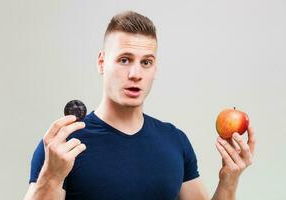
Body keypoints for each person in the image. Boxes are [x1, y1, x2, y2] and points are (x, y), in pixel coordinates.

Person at [24, 11, 256, 200]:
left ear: (155, 69)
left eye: (146, 62)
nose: (135, 74)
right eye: (124, 60)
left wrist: (229, 179)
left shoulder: (175, 141)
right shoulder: (61, 145)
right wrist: (51, 177)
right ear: (102, 62)